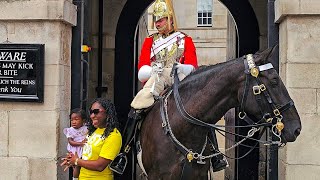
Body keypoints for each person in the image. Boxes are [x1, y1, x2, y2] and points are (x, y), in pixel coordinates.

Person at [110, 0, 227, 174]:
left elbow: (192, 65)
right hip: (156, 79)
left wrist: (183, 68)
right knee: (137, 105)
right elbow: (142, 67)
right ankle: (124, 154)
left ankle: (216, 154)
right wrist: (151, 70)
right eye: (155, 20)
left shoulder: (184, 39)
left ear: (170, 19)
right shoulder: (150, 41)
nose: (157, 23)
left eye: (161, 19)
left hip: (180, 80)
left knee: (202, 109)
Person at [61, 98, 122, 180]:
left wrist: (77, 161)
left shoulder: (113, 135)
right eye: (91, 112)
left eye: (96, 112)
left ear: (108, 113)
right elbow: (87, 157)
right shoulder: (93, 132)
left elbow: (100, 166)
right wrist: (72, 158)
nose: (92, 115)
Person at [63, 108, 88, 180]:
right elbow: (70, 142)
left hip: (84, 148)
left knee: (84, 163)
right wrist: (80, 143)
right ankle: (75, 178)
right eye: (72, 120)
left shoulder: (86, 128)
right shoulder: (70, 130)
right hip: (75, 149)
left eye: (76, 119)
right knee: (76, 165)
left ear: (83, 120)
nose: (73, 122)